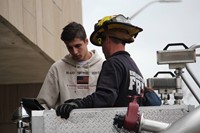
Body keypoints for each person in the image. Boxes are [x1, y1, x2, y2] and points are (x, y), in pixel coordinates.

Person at [56, 14, 161, 119]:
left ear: (107, 39)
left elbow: (104, 98)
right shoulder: (133, 67)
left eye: (101, 41)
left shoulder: (113, 63)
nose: (102, 48)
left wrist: (77, 104)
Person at [36, 22, 104, 109]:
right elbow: (43, 104)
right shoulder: (57, 68)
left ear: (86, 41)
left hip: (96, 121)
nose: (75, 52)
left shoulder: (103, 66)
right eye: (70, 47)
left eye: (78, 46)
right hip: (65, 122)